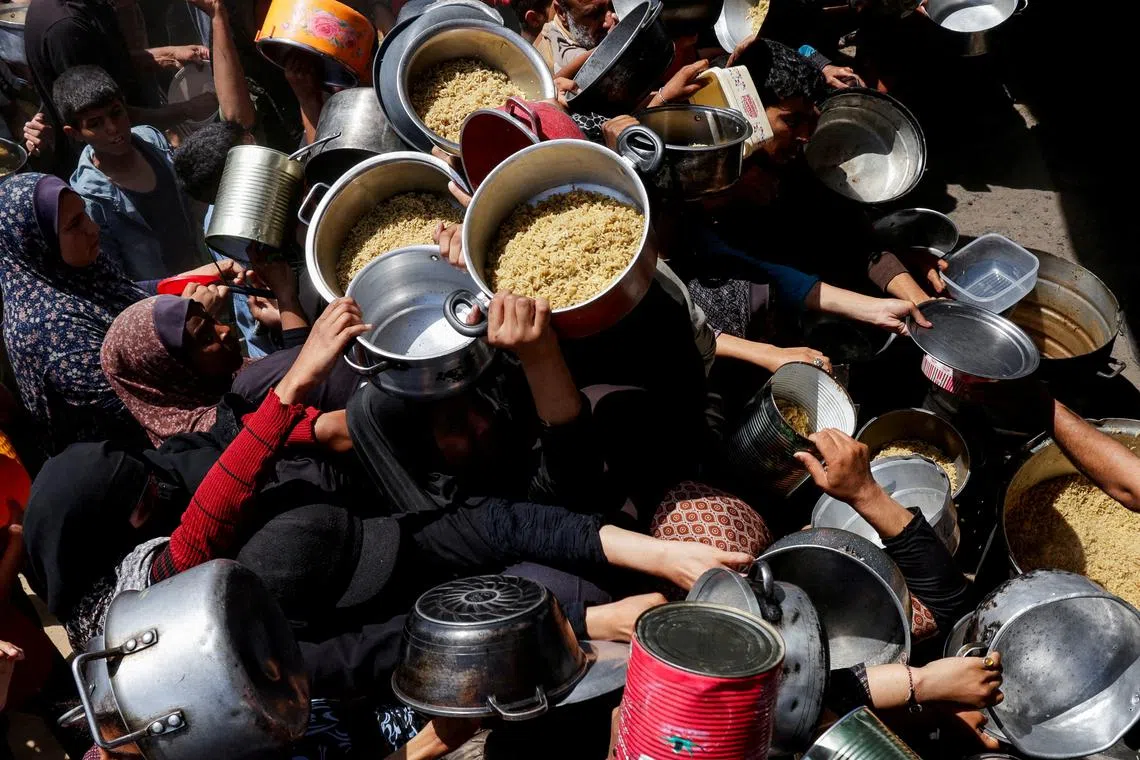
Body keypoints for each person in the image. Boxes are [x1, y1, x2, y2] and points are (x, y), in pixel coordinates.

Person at [0, 173, 150, 455]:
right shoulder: (50, 331)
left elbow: (119, 290)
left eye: (84, 214)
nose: (93, 228)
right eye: (74, 225)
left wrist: (182, 285)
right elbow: (137, 405)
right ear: (36, 241)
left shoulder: (72, 270)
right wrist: (183, 331)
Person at [99, 283, 351, 448]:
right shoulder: (231, 416)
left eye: (211, 319)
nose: (225, 330)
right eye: (206, 338)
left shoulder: (226, 381)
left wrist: (285, 297)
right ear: (173, 369)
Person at [56, 65, 211, 282]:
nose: (112, 128)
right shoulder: (90, 202)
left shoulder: (153, 141)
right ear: (74, 134)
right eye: (95, 124)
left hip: (206, 270)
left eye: (116, 113)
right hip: (163, 302)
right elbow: (116, 276)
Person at [21, 0, 215, 173]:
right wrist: (186, 110)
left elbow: (109, 65)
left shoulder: (91, 5)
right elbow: (105, 116)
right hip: (110, 166)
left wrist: (169, 56)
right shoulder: (65, 29)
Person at [534, 0, 617, 74]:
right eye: (594, 15)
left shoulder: (570, 10)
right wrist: (616, 39)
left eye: (612, 5)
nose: (610, 22)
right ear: (561, 13)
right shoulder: (564, 58)